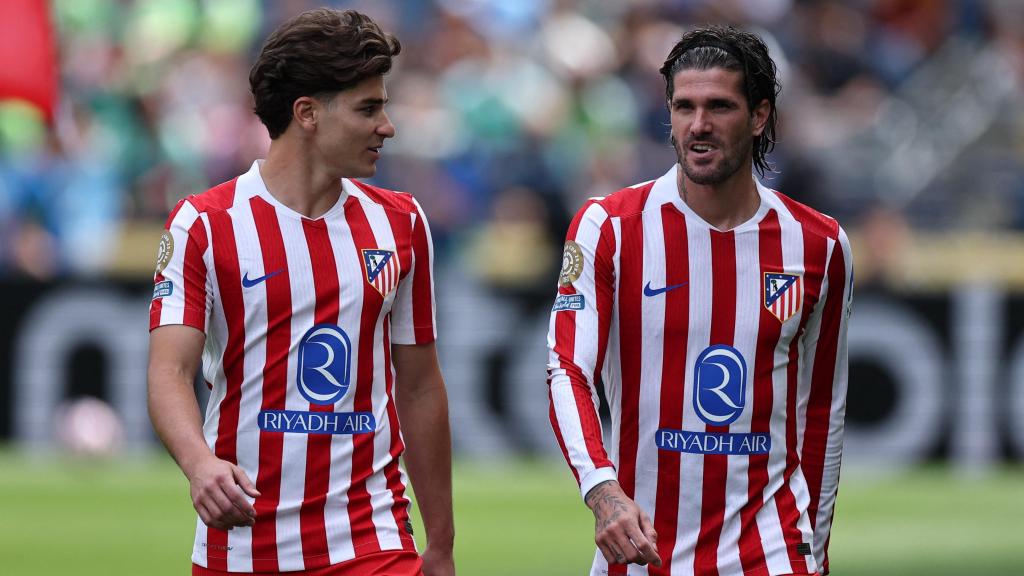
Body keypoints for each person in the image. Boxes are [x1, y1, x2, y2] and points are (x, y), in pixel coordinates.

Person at [147, 9, 454, 576]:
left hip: (374, 540)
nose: (386, 125)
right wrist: (199, 465)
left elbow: (420, 387)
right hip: (240, 546)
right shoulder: (205, 224)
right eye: (369, 108)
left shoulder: (402, 224)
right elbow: (169, 371)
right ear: (307, 113)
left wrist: (441, 545)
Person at [546, 26, 852, 576]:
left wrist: (816, 547)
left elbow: (822, 411)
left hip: (771, 551)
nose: (698, 126)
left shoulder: (819, 244)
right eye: (683, 107)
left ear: (759, 117)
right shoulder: (609, 228)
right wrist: (601, 489)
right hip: (640, 550)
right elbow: (567, 368)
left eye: (719, 107)